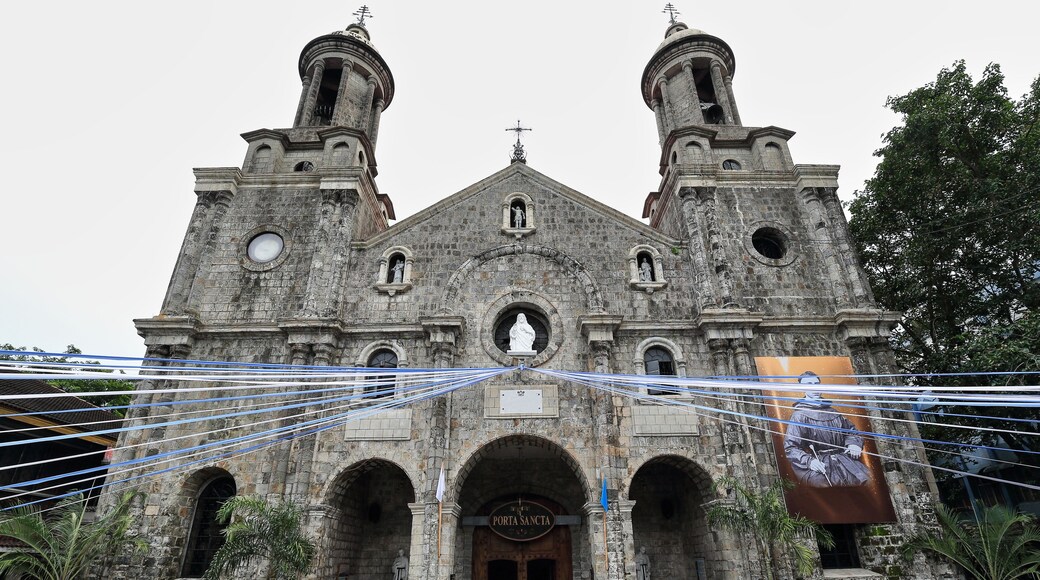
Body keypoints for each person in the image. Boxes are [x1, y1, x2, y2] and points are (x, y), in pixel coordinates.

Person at [783, 371, 870, 488]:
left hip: (844, 460)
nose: (814, 388)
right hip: (820, 463)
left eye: (816, 384)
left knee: (868, 481)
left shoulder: (833, 412)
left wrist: (854, 444)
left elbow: (851, 432)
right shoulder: (799, 416)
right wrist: (809, 461)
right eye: (809, 384)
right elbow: (790, 447)